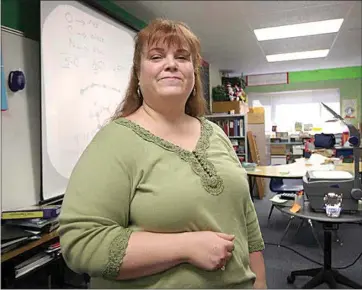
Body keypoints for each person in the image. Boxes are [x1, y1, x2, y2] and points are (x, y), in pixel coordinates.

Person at [58, 18, 267, 289]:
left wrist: (260, 283)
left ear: (193, 72)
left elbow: (247, 222)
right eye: (157, 56)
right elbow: (81, 242)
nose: (171, 64)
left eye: (182, 57)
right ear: (138, 74)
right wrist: (185, 246)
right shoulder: (115, 141)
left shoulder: (216, 134)